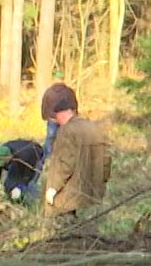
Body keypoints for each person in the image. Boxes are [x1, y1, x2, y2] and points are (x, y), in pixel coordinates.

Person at [40, 83, 110, 219]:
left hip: (69, 200)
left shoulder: (66, 131)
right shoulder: (95, 128)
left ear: (59, 113)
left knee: (64, 232)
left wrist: (53, 188)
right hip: (93, 196)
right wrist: (102, 181)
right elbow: (106, 160)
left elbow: (65, 164)